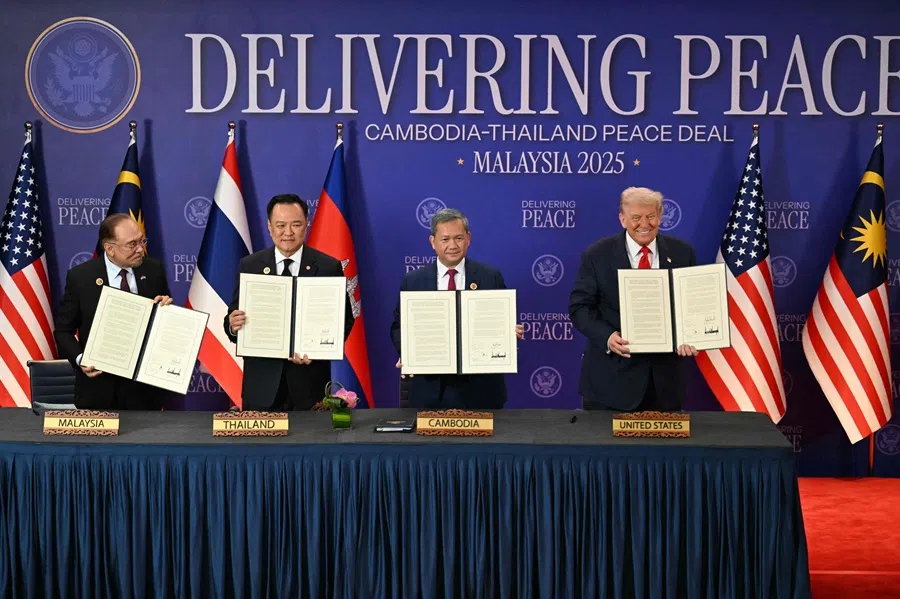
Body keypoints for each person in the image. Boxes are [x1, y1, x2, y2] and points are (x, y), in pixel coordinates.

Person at [569, 187, 698, 412]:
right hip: (610, 383)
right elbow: (579, 308)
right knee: (606, 449)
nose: (644, 224)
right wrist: (607, 337)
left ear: (660, 216)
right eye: (636, 218)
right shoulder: (597, 255)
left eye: (651, 216)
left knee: (662, 448)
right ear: (622, 219)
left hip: (664, 385)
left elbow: (691, 305)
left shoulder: (682, 253)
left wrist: (692, 334)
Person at [225, 194, 353, 411]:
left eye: (296, 225)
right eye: (281, 225)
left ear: (306, 225)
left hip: (309, 385)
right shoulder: (251, 265)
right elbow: (232, 321)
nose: (288, 232)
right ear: (269, 226)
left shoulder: (328, 267)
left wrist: (319, 350)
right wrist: (233, 325)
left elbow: (344, 320)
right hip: (261, 387)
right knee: (260, 446)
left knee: (311, 444)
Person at [390, 208, 523, 409]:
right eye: (445, 239)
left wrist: (509, 333)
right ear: (432, 242)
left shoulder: (490, 277)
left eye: (459, 238)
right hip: (429, 390)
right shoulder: (414, 281)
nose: (452, 245)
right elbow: (398, 327)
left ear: (468, 239)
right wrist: (408, 352)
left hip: (481, 391)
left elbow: (501, 324)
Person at [54, 213, 173, 410]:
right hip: (98, 389)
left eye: (141, 241)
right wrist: (81, 359)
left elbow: (161, 325)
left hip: (143, 392)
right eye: (131, 244)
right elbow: (63, 331)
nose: (140, 249)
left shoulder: (153, 270)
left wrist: (166, 308)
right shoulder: (81, 277)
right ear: (109, 249)